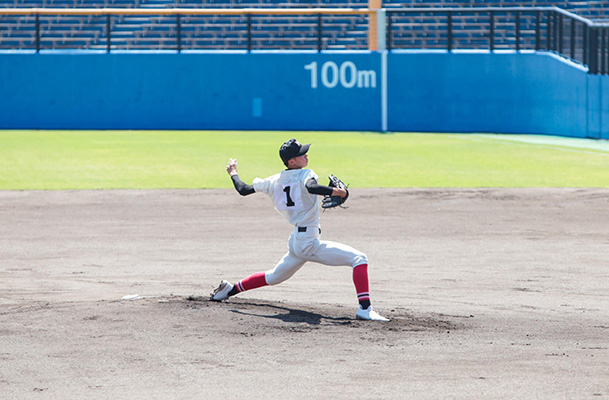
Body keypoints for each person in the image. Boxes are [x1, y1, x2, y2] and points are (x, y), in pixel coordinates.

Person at [211, 138, 389, 321]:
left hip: (296, 242)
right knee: (359, 259)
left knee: (273, 277)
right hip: (308, 243)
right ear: (291, 162)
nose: (306, 155)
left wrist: (233, 173)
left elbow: (243, 189)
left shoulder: (273, 180)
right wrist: (338, 192)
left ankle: (229, 290)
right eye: (301, 154)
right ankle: (365, 309)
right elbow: (312, 187)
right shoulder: (305, 174)